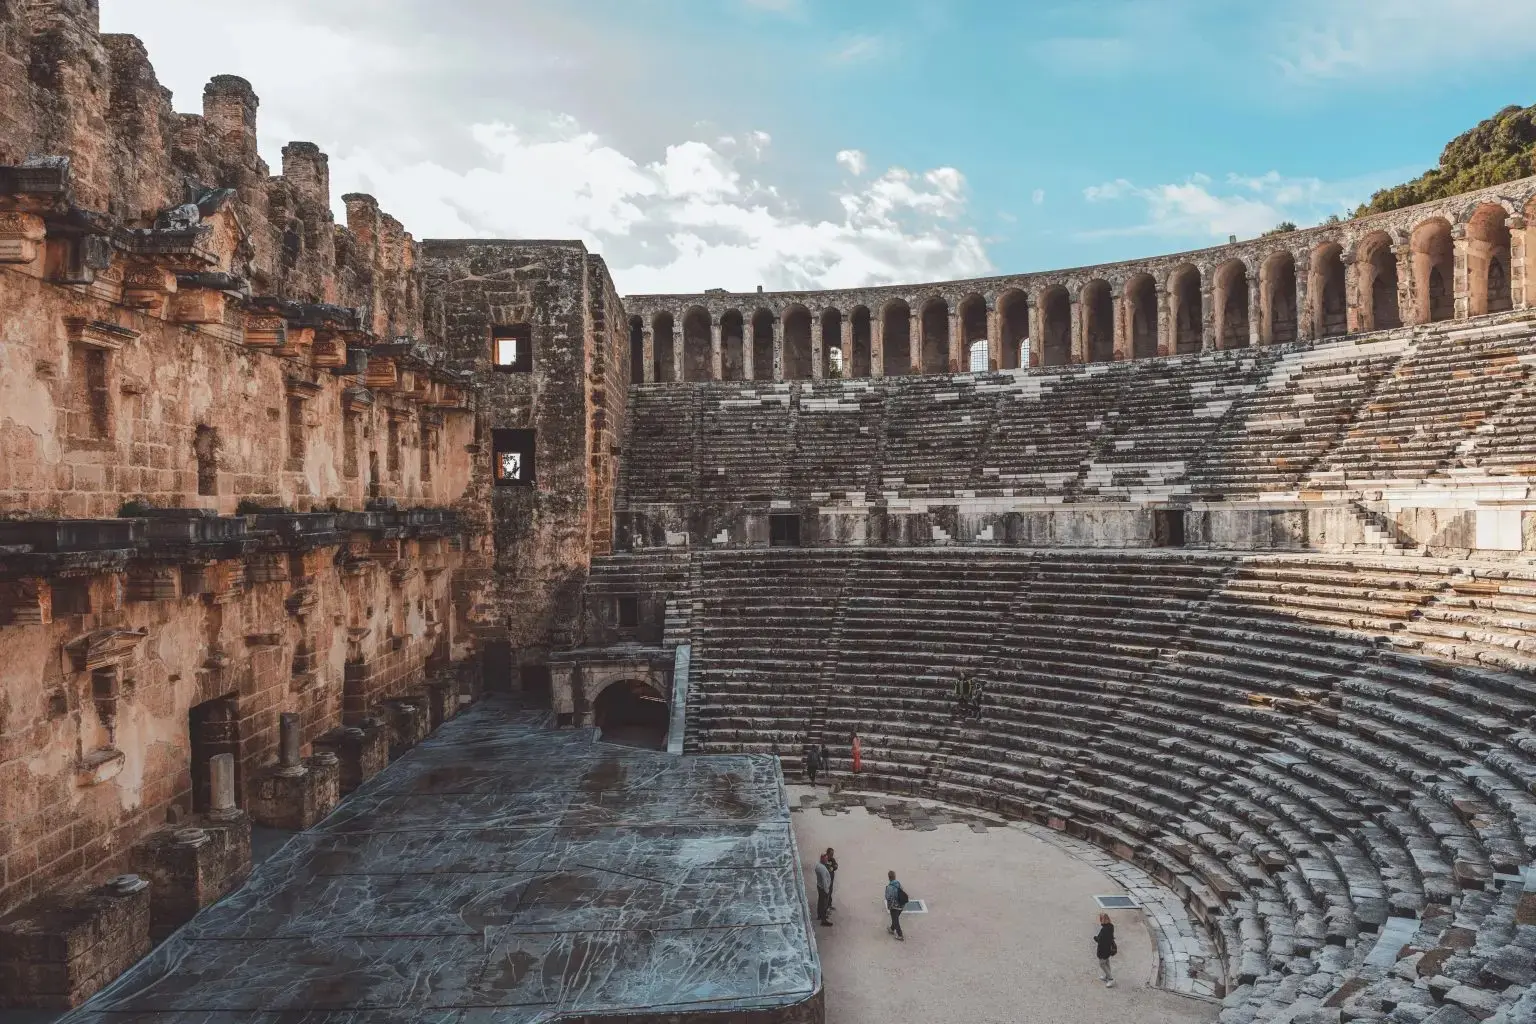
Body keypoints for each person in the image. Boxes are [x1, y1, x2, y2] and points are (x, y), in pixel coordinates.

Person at [1093, 912, 1117, 987]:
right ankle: (1107, 976)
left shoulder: (1104, 930)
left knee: (1102, 964)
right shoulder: (1111, 926)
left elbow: (1101, 940)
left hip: (1103, 950)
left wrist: (1096, 938)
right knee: (1106, 963)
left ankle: (1110, 979)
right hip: (1108, 949)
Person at [884, 869, 905, 940]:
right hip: (901, 905)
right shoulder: (898, 883)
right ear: (895, 877)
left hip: (894, 907)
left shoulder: (889, 887)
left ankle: (900, 935)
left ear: (889, 877)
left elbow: (887, 897)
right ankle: (892, 929)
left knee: (895, 920)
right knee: (895, 918)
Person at [814, 854, 834, 926]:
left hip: (819, 886)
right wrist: (826, 890)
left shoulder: (818, 866)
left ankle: (820, 915)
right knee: (824, 904)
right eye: (825, 859)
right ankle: (823, 920)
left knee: (820, 902)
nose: (827, 860)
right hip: (823, 888)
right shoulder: (822, 868)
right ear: (822, 859)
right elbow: (824, 880)